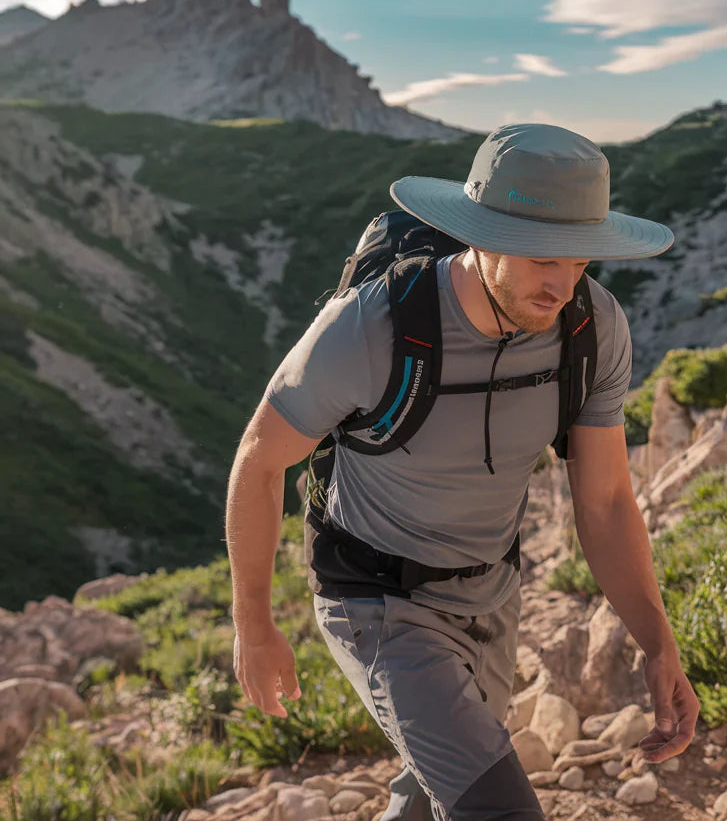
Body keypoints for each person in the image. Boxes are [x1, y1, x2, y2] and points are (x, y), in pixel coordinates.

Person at [227, 123, 699, 821]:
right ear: (482, 234)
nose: (563, 284)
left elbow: (603, 502)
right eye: (544, 258)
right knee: (498, 810)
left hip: (491, 597)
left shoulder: (593, 329)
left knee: (430, 799)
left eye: (580, 261)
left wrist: (660, 645)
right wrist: (255, 625)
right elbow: (258, 463)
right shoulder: (374, 326)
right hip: (376, 600)